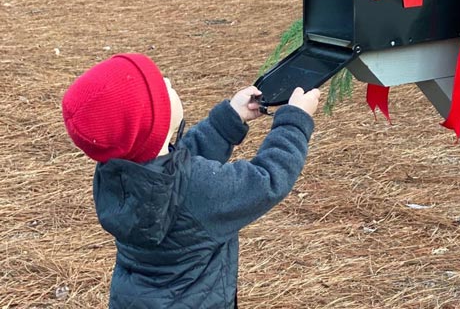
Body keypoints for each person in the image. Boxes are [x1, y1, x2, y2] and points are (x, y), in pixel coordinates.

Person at [61, 53, 320, 308]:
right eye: (163, 86)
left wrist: (229, 119)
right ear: (154, 121)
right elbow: (267, 180)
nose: (168, 80)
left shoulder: (115, 174)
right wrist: (294, 121)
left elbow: (177, 164)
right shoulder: (201, 189)